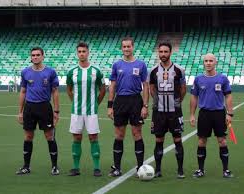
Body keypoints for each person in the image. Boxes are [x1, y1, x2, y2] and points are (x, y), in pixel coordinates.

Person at [107, 37, 149, 177]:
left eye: (128, 46)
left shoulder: (141, 64)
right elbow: (112, 85)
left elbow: (146, 86)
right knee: (119, 134)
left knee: (137, 133)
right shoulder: (116, 65)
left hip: (135, 101)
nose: (126, 49)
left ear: (133, 47)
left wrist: (145, 105)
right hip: (120, 101)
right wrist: (110, 105)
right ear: (121, 48)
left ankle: (140, 167)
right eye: (124, 47)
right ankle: (117, 167)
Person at [16, 47, 60, 175]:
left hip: (44, 107)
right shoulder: (25, 72)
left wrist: (56, 111)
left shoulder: (50, 72)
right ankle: (26, 166)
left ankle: (54, 166)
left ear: (42, 56)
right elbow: (23, 91)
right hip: (29, 108)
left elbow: (55, 92)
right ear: (31, 57)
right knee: (28, 136)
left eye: (38, 55)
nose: (35, 57)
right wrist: (20, 112)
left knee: (49, 136)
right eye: (33, 55)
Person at [190, 53, 234, 178]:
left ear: (215, 63)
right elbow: (194, 97)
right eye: (206, 61)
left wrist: (229, 113)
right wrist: (192, 115)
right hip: (204, 114)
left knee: (222, 141)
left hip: (219, 113)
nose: (208, 63)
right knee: (202, 141)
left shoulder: (222, 79)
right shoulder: (198, 79)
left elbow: (228, 96)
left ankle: (226, 170)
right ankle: (200, 170)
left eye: (211, 61)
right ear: (203, 63)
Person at [66, 42, 106, 177]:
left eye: (84, 51)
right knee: (76, 137)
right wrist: (75, 102)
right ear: (77, 53)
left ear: (88, 53)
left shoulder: (96, 71)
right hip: (76, 111)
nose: (82, 53)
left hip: (91, 111)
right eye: (79, 51)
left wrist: (96, 103)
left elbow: (102, 89)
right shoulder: (72, 71)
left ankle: (96, 167)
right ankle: (76, 167)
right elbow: (69, 90)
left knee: (93, 137)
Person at [148, 42, 186, 179]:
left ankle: (180, 170)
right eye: (161, 52)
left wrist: (176, 102)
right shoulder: (153, 71)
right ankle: (158, 170)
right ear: (158, 53)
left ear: (170, 53)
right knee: (159, 139)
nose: (163, 54)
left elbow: (183, 89)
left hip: (174, 111)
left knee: (177, 139)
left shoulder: (179, 70)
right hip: (158, 112)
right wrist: (157, 101)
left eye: (166, 52)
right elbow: (152, 88)